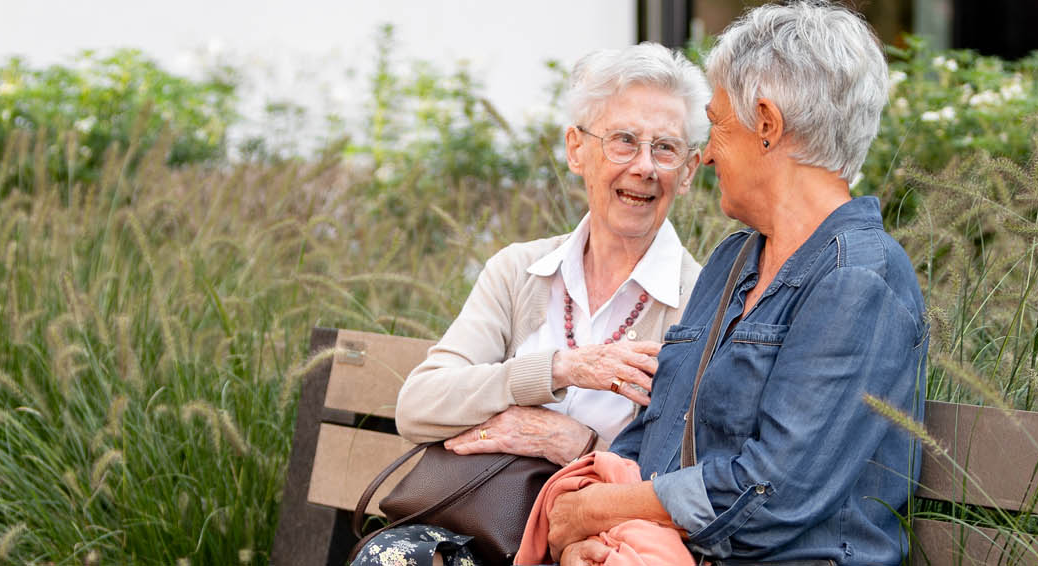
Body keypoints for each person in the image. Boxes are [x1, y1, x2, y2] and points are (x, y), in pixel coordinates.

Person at [544, 2, 928, 565]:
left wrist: (600, 511)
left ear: (767, 125)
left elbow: (769, 495)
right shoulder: (734, 260)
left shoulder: (858, 279)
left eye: (717, 123)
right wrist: (590, 536)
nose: (707, 153)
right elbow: (660, 426)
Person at [352, 43, 710, 565]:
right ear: (576, 149)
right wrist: (558, 369)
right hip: (476, 529)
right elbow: (419, 405)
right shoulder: (519, 271)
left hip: (594, 548)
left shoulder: (701, 304)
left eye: (666, 149)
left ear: (691, 168)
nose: (644, 167)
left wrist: (579, 445)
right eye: (623, 141)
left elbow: (694, 480)